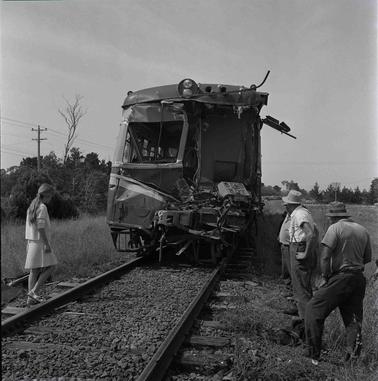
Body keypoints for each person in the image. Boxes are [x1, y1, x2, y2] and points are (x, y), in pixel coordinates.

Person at [304, 202, 372, 363]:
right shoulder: (363, 230)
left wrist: (326, 276)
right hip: (358, 279)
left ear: (333, 217)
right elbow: (368, 258)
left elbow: (325, 256)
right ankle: (353, 359)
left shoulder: (334, 229)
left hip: (341, 277)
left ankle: (313, 354)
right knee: (353, 319)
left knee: (313, 310)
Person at [282, 190, 317, 321]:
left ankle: (306, 322)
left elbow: (310, 234)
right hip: (296, 246)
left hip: (299, 247)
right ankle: (304, 318)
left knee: (301, 288)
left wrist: (305, 253)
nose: (285, 206)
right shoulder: (300, 212)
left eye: (286, 204)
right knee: (300, 285)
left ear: (291, 204)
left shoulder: (299, 214)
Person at [25, 183, 57, 305]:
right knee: (52, 266)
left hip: (31, 243)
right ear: (47, 195)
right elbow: (41, 227)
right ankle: (33, 292)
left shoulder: (31, 207)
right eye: (51, 196)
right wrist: (46, 244)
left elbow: (30, 229)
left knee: (34, 271)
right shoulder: (42, 207)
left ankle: (30, 299)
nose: (51, 198)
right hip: (40, 243)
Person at [278, 210, 291, 281]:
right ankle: (286, 279)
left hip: (289, 245)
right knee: (285, 263)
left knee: (289, 265)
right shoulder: (288, 216)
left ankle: (292, 283)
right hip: (284, 244)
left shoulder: (295, 217)